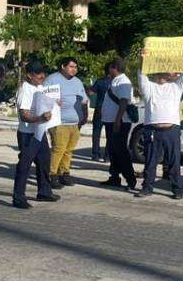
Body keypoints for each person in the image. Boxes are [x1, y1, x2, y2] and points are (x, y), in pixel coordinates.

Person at [135, 50, 183, 199]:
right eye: (160, 71)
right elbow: (141, 75)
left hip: (172, 130)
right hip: (152, 130)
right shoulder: (149, 87)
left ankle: (177, 190)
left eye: (166, 71)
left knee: (174, 162)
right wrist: (142, 59)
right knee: (150, 161)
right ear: (155, 73)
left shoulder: (176, 87)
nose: (163, 73)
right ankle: (147, 188)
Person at [12, 59, 60, 209]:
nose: (41, 76)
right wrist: (39, 118)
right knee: (24, 165)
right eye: (37, 74)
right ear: (29, 75)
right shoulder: (25, 90)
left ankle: (44, 191)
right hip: (27, 133)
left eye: (42, 73)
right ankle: (18, 197)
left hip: (39, 131)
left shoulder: (39, 87)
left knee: (44, 161)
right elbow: (24, 115)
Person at [46, 56, 88, 187]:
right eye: (71, 66)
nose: (74, 69)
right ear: (63, 67)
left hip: (74, 122)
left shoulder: (77, 82)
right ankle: (52, 174)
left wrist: (84, 117)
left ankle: (64, 172)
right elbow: (44, 99)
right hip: (59, 122)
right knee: (58, 149)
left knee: (69, 150)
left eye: (75, 67)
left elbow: (84, 100)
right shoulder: (52, 79)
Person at [100, 56, 137, 191]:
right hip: (111, 121)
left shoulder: (123, 81)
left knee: (121, 151)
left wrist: (117, 120)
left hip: (119, 122)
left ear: (114, 67)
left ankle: (130, 179)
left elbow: (123, 102)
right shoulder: (115, 80)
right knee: (113, 150)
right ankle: (114, 177)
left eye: (110, 67)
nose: (108, 69)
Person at [90, 69, 114, 161]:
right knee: (109, 134)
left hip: (99, 108)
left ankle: (95, 154)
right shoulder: (115, 82)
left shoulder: (100, 81)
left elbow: (90, 92)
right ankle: (107, 156)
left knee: (96, 132)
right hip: (110, 110)